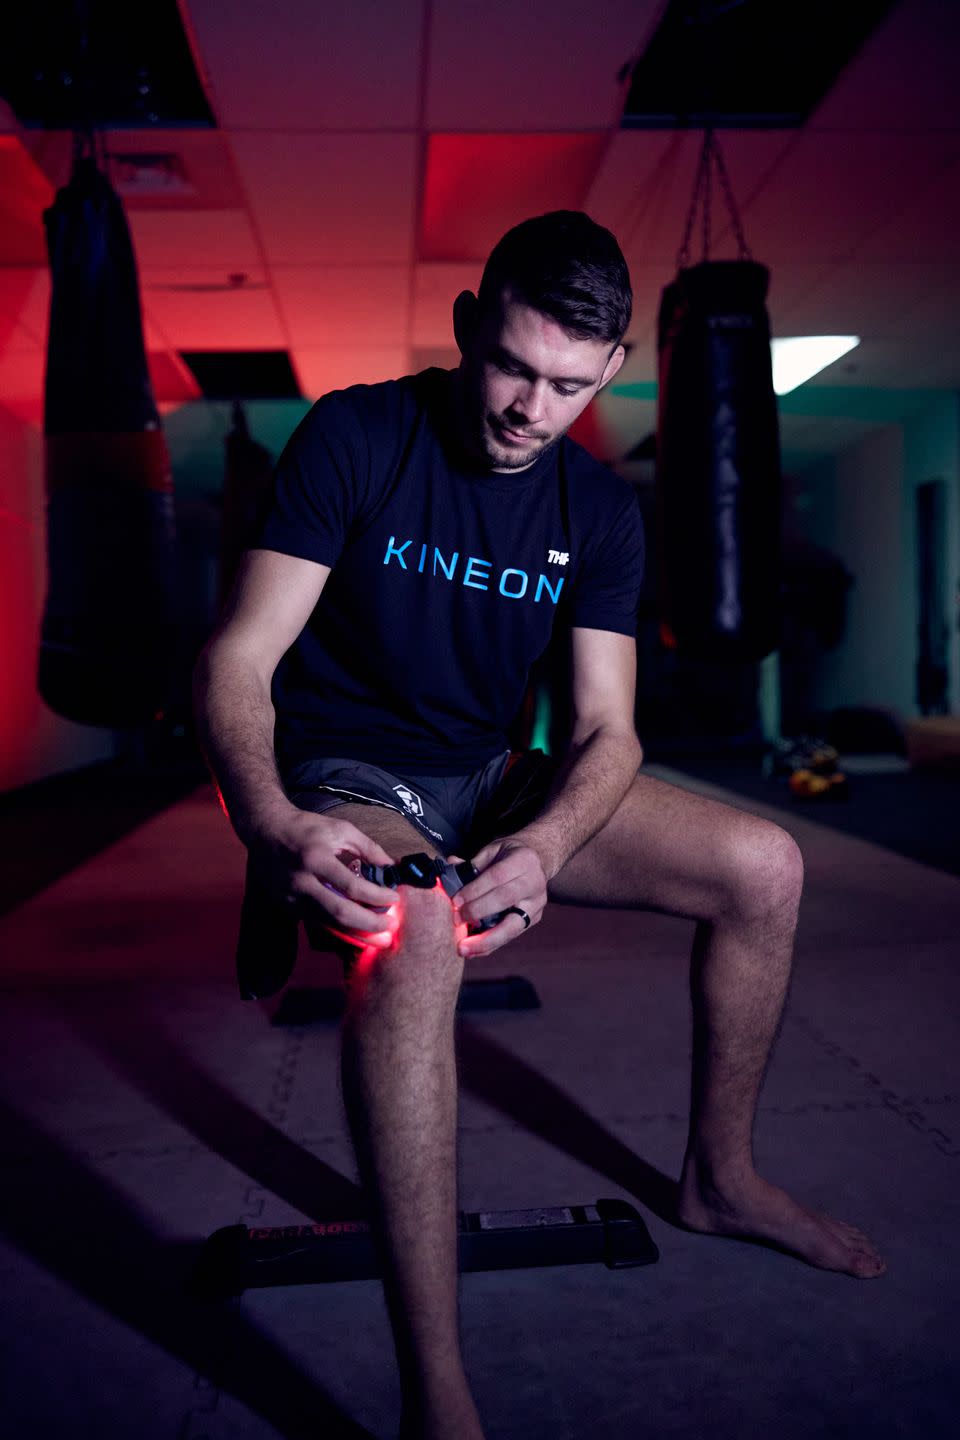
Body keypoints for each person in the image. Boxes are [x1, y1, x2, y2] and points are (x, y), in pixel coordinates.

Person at [194, 211, 885, 1440]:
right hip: (351, 766)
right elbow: (243, 656)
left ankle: (719, 1179)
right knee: (409, 940)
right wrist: (267, 818)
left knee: (765, 864)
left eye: (569, 383)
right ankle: (439, 1396)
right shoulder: (360, 433)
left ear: (612, 370)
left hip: (487, 771)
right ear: (470, 331)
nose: (529, 408)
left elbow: (610, 730)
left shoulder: (598, 508)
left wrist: (550, 847)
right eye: (512, 367)